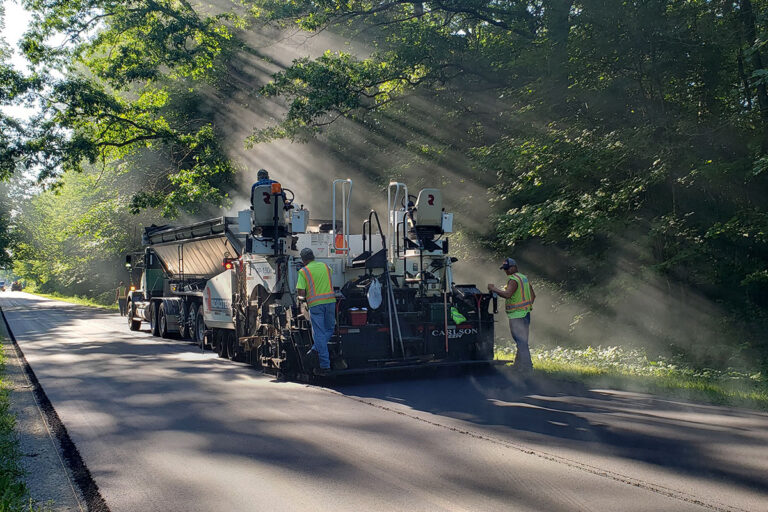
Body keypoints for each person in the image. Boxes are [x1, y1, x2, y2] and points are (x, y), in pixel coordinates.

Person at [488, 258, 535, 373]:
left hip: (516, 316)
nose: (506, 271)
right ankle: (518, 365)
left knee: (520, 341)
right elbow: (533, 295)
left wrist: (493, 289)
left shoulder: (513, 280)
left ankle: (527, 367)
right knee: (522, 341)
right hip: (525, 313)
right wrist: (526, 306)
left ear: (514, 267)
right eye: (504, 269)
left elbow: (508, 294)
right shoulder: (523, 278)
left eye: (507, 268)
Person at [296, 248, 336, 375]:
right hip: (330, 302)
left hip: (316, 305)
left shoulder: (303, 271)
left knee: (319, 333)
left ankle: (324, 365)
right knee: (330, 329)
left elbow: (301, 292)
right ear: (313, 256)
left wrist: (300, 297)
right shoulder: (325, 266)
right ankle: (315, 349)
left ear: (303, 260)